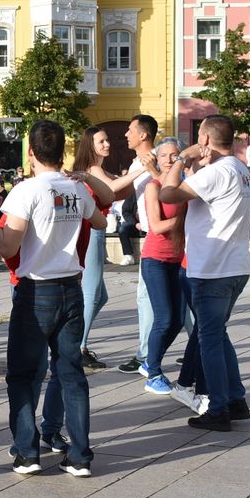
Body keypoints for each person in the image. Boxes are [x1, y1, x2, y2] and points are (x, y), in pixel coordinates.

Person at [0, 120, 106, 477]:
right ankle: (79, 456)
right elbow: (101, 224)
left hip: (36, 291)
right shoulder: (75, 189)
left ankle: (28, 453)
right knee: (71, 373)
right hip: (70, 288)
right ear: (60, 150)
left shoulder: (26, 191)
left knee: (21, 374)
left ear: (30, 152)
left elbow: (7, 245)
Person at [159, 115, 250, 431]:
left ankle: (219, 408)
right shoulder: (241, 170)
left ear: (205, 139)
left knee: (209, 338)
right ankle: (236, 399)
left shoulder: (218, 172)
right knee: (217, 332)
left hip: (212, 269)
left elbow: (167, 194)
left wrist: (181, 159)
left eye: (199, 137)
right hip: (235, 266)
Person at [72, 126, 148, 370]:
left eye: (107, 140)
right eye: (101, 141)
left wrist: (137, 175)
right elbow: (114, 189)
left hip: (97, 229)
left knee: (100, 296)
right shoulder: (93, 169)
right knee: (92, 293)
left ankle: (75, 340)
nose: (107, 144)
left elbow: (120, 192)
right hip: (92, 229)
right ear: (89, 145)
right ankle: (77, 347)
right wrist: (142, 168)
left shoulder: (98, 169)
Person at [139, 138, 187, 396]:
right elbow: (156, 226)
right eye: (165, 155)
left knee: (178, 320)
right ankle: (153, 373)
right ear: (157, 160)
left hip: (178, 260)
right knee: (164, 317)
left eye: (174, 155)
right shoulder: (153, 187)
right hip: (155, 260)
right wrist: (184, 218)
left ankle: (150, 361)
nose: (169, 159)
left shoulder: (184, 186)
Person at [116, 115, 160, 377]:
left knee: (146, 297)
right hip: (151, 233)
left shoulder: (155, 157)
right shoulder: (137, 162)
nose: (126, 135)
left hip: (160, 234)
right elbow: (118, 190)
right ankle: (196, 346)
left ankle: (144, 354)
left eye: (130, 130)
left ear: (143, 135)